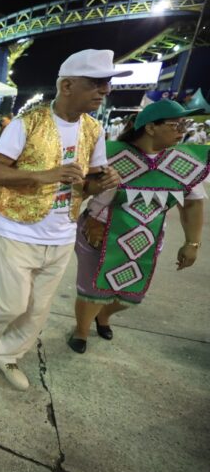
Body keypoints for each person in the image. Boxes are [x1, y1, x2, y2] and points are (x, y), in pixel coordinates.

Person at [0, 49, 125, 390]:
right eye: (96, 83)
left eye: (107, 84)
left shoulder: (94, 130)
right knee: (10, 304)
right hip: (19, 230)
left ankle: (8, 356)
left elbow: (87, 184)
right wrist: (45, 175)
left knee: (37, 310)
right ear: (67, 85)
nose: (105, 90)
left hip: (63, 234)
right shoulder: (28, 123)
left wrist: (102, 183)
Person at [68, 100, 207, 353]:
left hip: (146, 238)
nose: (182, 131)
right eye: (176, 125)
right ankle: (81, 331)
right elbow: (80, 190)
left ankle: (103, 316)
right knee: (93, 290)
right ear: (151, 128)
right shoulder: (109, 153)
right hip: (99, 231)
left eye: (184, 125)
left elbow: (192, 205)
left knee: (131, 294)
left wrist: (192, 242)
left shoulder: (183, 162)